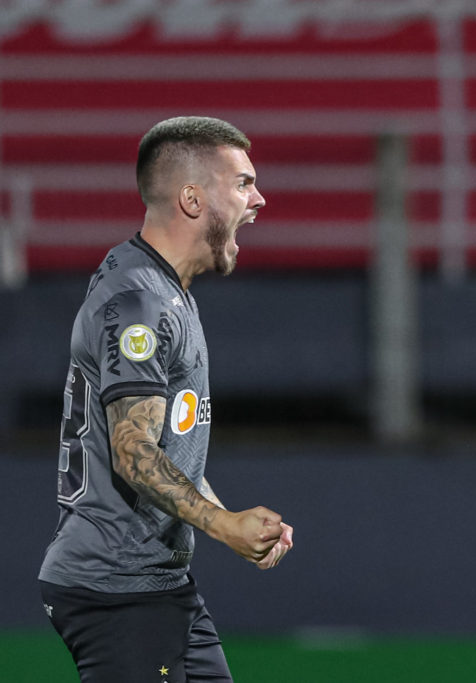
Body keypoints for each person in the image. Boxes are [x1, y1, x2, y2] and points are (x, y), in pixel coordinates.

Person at [39, 116, 295, 682]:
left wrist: (229, 521)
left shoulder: (159, 288)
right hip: (115, 591)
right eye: (243, 183)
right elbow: (134, 454)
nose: (259, 198)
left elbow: (165, 451)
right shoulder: (140, 303)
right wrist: (225, 526)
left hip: (158, 585)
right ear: (191, 197)